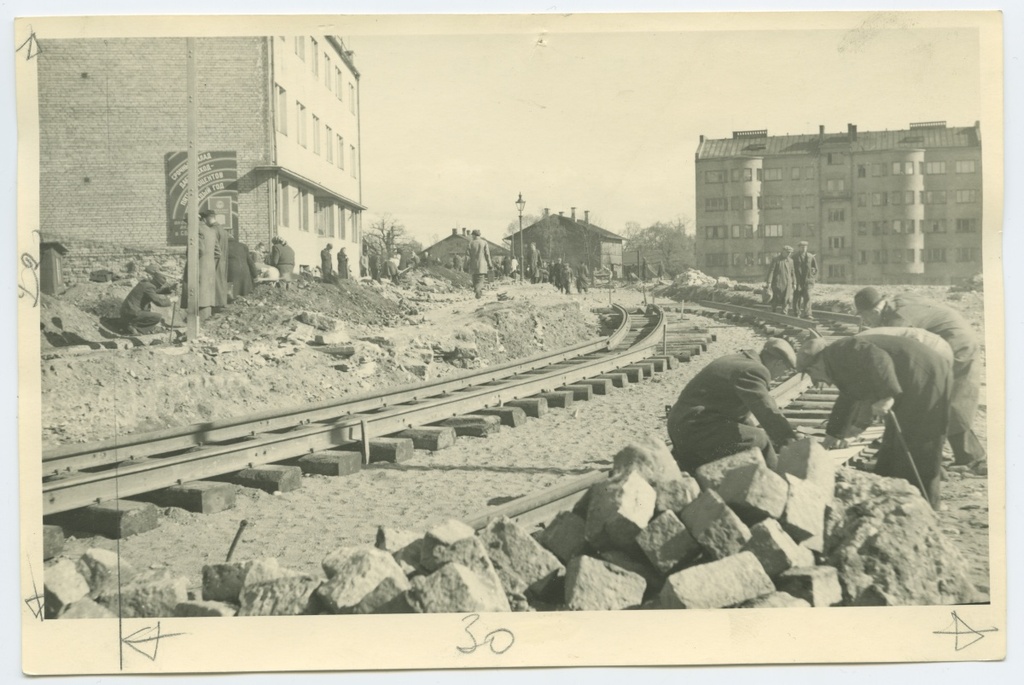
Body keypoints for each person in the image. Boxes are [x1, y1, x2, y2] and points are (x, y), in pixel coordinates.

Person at [797, 333, 953, 509]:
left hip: (924, 373)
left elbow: (877, 357)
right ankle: (892, 496)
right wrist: (833, 434)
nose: (819, 380)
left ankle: (927, 503)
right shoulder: (837, 362)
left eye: (813, 374)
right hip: (911, 377)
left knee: (920, 438)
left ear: (816, 363)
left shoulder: (843, 350)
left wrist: (887, 394)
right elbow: (848, 398)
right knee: (894, 438)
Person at [854, 287, 985, 472]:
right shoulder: (897, 300)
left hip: (957, 345)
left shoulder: (897, 320)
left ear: (875, 311)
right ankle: (965, 456)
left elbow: (905, 358)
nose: (865, 322)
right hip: (950, 339)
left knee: (952, 402)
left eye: (864, 316)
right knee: (942, 401)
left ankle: (972, 458)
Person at [667, 338, 800, 473]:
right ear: (778, 363)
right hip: (695, 429)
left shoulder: (739, 360)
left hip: (684, 426)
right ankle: (776, 480)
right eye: (787, 370)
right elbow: (766, 411)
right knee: (759, 440)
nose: (784, 374)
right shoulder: (755, 370)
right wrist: (789, 442)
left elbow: (738, 414)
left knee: (749, 429)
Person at [180, 211, 220, 319]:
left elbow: (199, 249)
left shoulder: (196, 230)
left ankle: (196, 325)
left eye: (187, 222)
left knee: (197, 297)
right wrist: (209, 265)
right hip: (209, 269)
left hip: (197, 269)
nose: (187, 224)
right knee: (205, 298)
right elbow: (218, 253)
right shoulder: (211, 230)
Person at [121, 266, 173, 333]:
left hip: (127, 312)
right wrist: (171, 300)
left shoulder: (145, 283)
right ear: (155, 282)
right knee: (157, 317)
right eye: (158, 285)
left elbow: (155, 291)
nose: (158, 287)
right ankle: (135, 327)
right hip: (132, 313)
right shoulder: (149, 287)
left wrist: (169, 289)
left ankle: (132, 325)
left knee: (149, 313)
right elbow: (159, 302)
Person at [765, 245, 796, 314]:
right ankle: (773, 312)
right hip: (778, 283)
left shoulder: (790, 261)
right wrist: (769, 282)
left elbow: (793, 272)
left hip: (788, 284)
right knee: (776, 298)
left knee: (787, 299)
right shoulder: (776, 260)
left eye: (790, 253)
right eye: (787, 252)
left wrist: (794, 283)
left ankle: (784, 314)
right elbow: (771, 271)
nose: (789, 254)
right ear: (783, 251)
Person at [791, 241, 818, 318]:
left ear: (807, 248)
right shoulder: (794, 257)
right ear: (799, 247)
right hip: (798, 280)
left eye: (805, 247)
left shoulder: (811, 257)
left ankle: (808, 314)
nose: (803, 248)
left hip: (807, 281)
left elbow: (815, 269)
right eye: (802, 247)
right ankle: (796, 313)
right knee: (797, 297)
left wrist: (812, 278)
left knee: (808, 297)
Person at [227, 234, 259, 299]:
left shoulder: (224, 246)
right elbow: (250, 262)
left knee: (233, 296)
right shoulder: (243, 246)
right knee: (245, 296)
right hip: (245, 272)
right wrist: (255, 274)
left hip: (232, 273)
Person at [466, 228, 492, 299]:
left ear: (474, 235)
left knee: (474, 279)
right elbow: (487, 255)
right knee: (480, 280)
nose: (472, 236)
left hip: (473, 265)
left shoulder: (470, 243)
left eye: (472, 235)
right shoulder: (484, 243)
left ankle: (477, 291)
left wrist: (465, 265)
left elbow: (467, 256)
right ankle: (478, 291)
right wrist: (490, 264)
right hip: (482, 265)